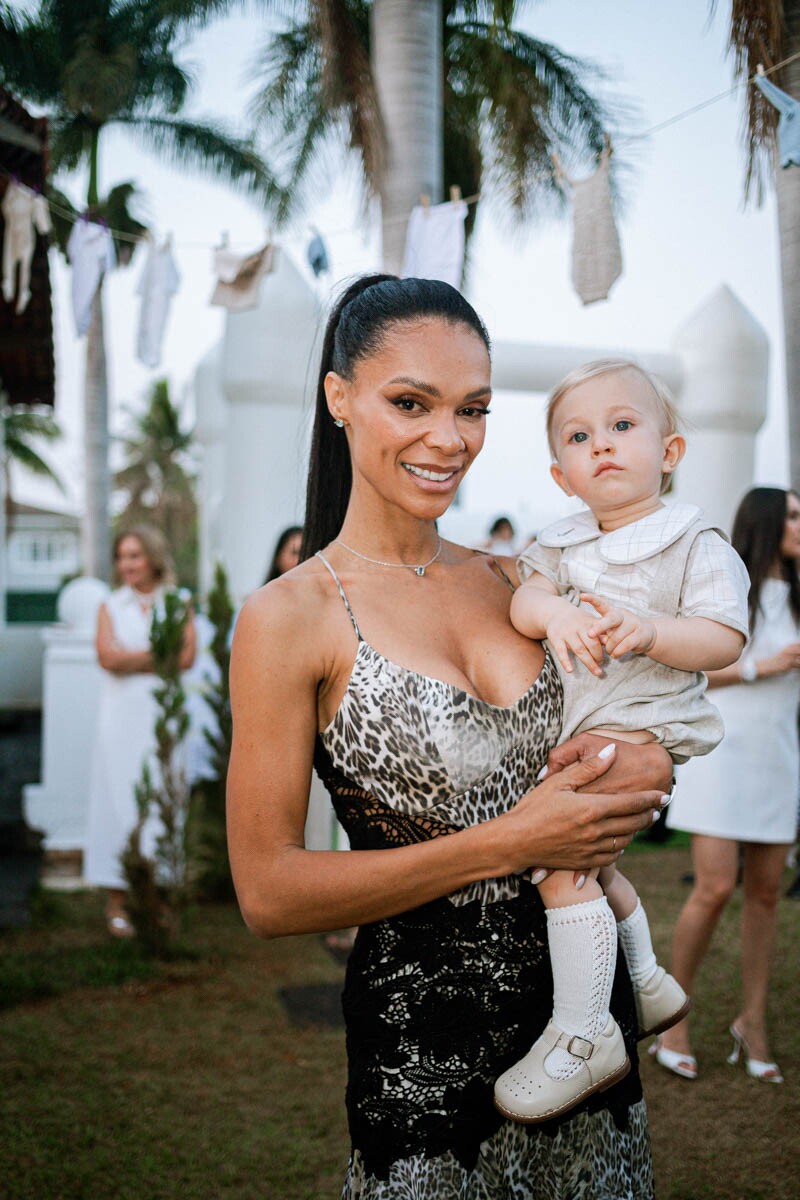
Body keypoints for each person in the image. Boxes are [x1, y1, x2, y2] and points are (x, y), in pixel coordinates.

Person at [227, 275, 674, 1199]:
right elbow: (268, 890)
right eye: (411, 403)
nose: (449, 439)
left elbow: (640, 713)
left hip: (588, 1040)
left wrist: (643, 764)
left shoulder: (527, 579)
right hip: (425, 1064)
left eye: (472, 408)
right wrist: (510, 843)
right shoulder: (293, 616)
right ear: (339, 397)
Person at [498, 359, 749, 1121]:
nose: (601, 444)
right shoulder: (563, 543)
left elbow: (724, 638)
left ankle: (584, 1035)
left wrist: (653, 630)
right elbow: (526, 598)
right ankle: (645, 980)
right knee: (594, 865)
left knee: (558, 863)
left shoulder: (690, 538)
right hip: (584, 729)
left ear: (668, 452)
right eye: (580, 436)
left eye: (622, 425)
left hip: (640, 725)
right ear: (562, 473)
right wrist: (554, 613)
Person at [661, 486, 800, 1083]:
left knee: (767, 894)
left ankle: (753, 1022)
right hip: (721, 754)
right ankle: (672, 1020)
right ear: (768, 523)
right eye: (794, 515)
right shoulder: (727, 589)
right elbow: (690, 669)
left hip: (778, 756)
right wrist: (760, 667)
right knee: (714, 889)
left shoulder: (797, 596)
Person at [84, 527, 196, 936]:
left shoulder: (178, 601)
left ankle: (163, 898)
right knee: (117, 798)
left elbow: (185, 657)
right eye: (122, 557)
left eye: (135, 555)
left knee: (165, 795)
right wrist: (157, 655)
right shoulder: (109, 605)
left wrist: (133, 658)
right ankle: (117, 899)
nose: (127, 564)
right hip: (120, 718)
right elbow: (106, 658)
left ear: (152, 557)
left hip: (164, 716)